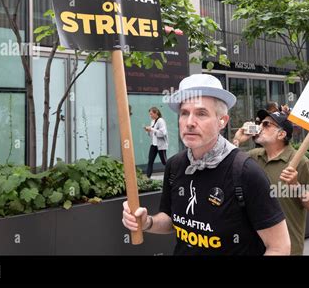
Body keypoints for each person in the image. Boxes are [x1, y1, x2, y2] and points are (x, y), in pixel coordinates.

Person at [123, 74, 290, 255]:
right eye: (184, 113)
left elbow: (279, 247)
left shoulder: (246, 172)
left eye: (201, 114)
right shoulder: (174, 166)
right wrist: (147, 222)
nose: (189, 123)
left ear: (222, 121)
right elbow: (171, 219)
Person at [232, 110, 309, 255]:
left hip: (287, 249)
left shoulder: (301, 163)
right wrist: (237, 140)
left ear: (281, 134)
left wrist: (296, 186)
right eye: (259, 123)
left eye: (266, 124)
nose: (260, 127)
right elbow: (227, 166)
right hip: (254, 246)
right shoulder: (253, 157)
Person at [144, 107, 168, 178]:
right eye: (150, 114)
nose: (150, 116)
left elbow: (163, 133)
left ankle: (173, 173)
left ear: (156, 113)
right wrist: (148, 131)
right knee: (150, 161)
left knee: (164, 162)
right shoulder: (152, 121)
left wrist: (152, 129)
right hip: (154, 144)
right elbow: (152, 134)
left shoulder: (161, 121)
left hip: (161, 145)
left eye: (151, 114)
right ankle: (148, 177)